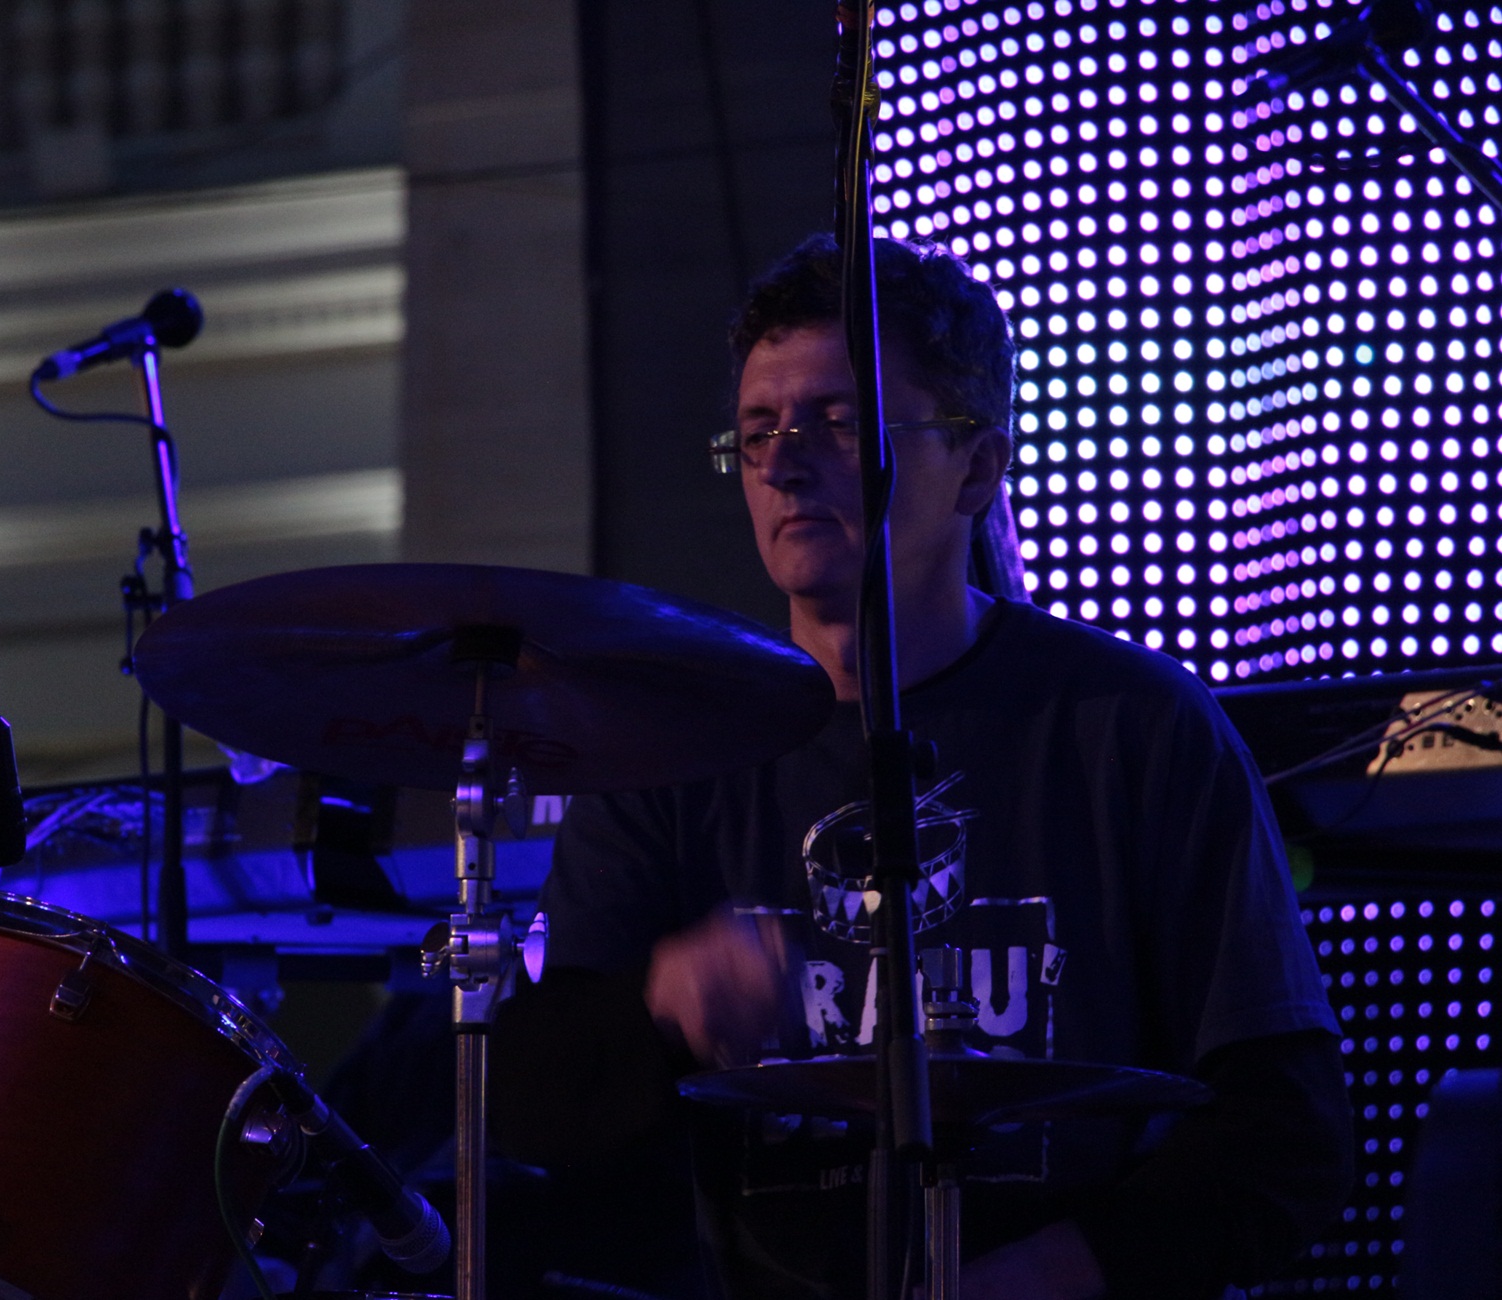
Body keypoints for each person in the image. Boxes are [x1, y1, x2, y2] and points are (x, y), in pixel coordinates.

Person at [490, 234, 1353, 1300]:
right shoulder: (673, 750)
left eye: (839, 422)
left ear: (977, 468)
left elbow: (1287, 1135)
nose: (785, 464)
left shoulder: (1136, 725)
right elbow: (535, 1116)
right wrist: (661, 1006)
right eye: (758, 433)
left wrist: (1036, 1278)